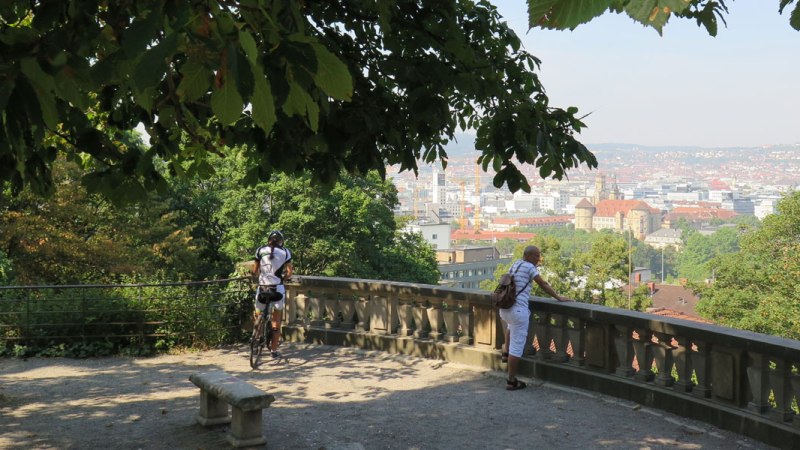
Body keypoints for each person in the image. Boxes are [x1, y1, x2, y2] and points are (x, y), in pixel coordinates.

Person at [500, 245, 572, 390]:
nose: (539, 259)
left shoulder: (516, 264)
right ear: (529, 256)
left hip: (505, 308)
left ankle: (505, 353)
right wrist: (558, 297)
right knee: (517, 348)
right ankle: (511, 380)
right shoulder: (530, 268)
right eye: (537, 256)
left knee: (510, 327)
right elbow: (543, 284)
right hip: (518, 311)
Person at [252, 230, 293, 358]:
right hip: (277, 289)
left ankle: (256, 336)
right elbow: (289, 272)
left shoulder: (260, 250)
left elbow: (254, 270)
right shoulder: (285, 252)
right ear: (281, 241)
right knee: (276, 320)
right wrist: (284, 278)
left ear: (268, 240)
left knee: (258, 313)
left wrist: (260, 276)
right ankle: (274, 351)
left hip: (262, 287)